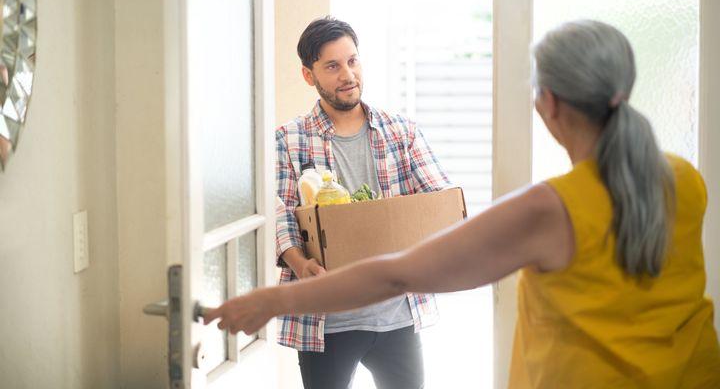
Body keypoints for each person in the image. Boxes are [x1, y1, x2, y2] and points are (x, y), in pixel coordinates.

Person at [206, 20, 720, 388]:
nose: (347, 73)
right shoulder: (684, 178)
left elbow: (400, 273)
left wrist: (270, 301)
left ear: (549, 103)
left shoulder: (549, 210)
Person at [268, 17, 451, 389]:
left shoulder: (401, 132)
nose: (347, 74)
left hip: (397, 312)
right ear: (309, 75)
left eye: (352, 61)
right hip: (327, 319)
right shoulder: (289, 139)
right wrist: (301, 265)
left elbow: (440, 202)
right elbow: (280, 215)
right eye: (332, 66)